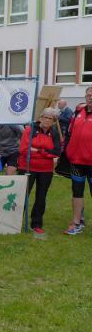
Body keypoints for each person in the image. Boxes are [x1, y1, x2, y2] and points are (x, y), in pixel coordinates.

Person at [17, 108, 61, 235]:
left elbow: (56, 152)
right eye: (45, 117)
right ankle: (17, 221)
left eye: (50, 118)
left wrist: (38, 150)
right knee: (23, 195)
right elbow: (24, 150)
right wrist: (46, 153)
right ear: (40, 117)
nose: (46, 120)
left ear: (53, 121)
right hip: (27, 167)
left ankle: (36, 223)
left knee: (41, 197)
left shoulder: (54, 132)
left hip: (46, 170)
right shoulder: (29, 129)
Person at [64, 86, 92, 235]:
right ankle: (77, 222)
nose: (90, 97)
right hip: (77, 161)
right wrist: (68, 151)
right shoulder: (78, 112)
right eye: (88, 95)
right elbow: (69, 133)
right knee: (77, 192)